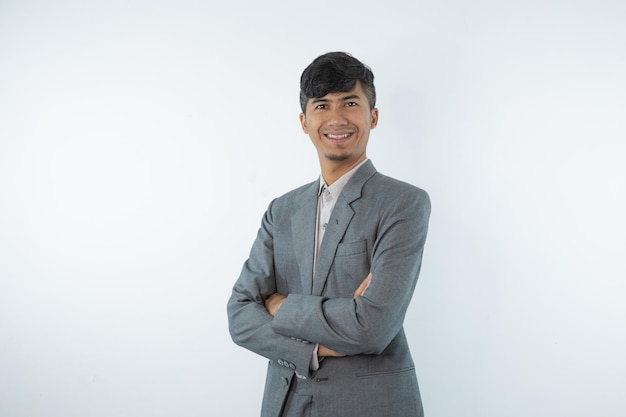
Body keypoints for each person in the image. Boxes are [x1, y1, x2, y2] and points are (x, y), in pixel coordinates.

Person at [227, 51, 431, 417]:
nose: (336, 118)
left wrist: (280, 305)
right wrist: (313, 350)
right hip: (286, 402)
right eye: (322, 105)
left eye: (350, 103)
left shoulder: (404, 203)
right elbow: (240, 316)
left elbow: (373, 327)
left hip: (370, 404)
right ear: (304, 121)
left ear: (374, 116)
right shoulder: (282, 209)